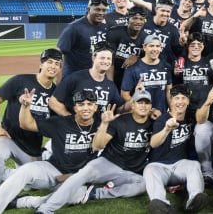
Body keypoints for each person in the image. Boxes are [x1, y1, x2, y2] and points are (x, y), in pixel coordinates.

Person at [33, 90, 174, 213]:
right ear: (132, 105)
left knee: (143, 185)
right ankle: (46, 209)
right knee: (83, 174)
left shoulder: (155, 123)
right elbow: (97, 145)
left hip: (131, 171)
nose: (143, 106)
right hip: (108, 163)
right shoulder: (119, 121)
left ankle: (95, 193)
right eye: (139, 102)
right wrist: (105, 123)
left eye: (146, 103)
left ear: (151, 106)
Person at [0, 90, 100, 214]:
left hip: (76, 178)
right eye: (81, 104)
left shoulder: (102, 126)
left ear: (95, 107)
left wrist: (74, 177)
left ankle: (24, 202)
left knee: (77, 196)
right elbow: (27, 124)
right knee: (25, 171)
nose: (86, 108)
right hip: (52, 170)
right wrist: (26, 107)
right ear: (75, 107)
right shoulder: (61, 123)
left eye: (89, 104)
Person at [0, 49, 63, 199]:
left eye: (57, 64)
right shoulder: (21, 80)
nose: (53, 66)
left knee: (34, 185)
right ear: (41, 64)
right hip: (8, 137)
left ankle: (16, 174)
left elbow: (54, 124)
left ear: (60, 69)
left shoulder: (56, 94)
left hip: (31, 148)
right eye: (49, 62)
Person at [144, 85, 209, 214]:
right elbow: (153, 143)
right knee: (149, 169)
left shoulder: (190, 117)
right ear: (171, 101)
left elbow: (202, 119)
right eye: (176, 98)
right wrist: (166, 129)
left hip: (181, 166)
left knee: (194, 165)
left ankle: (194, 200)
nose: (180, 101)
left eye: (183, 98)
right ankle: (161, 205)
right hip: (160, 167)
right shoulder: (162, 120)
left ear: (188, 101)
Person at [49, 44, 126, 120]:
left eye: (108, 59)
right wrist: (71, 120)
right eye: (102, 58)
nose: (106, 61)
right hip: (75, 130)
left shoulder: (110, 85)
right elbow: (53, 102)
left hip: (98, 129)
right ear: (93, 58)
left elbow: (121, 109)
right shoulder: (75, 78)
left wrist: (136, 95)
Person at [121, 34, 172, 118]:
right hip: (140, 115)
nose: (155, 49)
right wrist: (142, 108)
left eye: (157, 46)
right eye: (151, 46)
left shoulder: (166, 66)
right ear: (144, 47)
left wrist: (172, 111)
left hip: (161, 115)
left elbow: (169, 90)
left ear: (161, 48)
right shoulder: (133, 68)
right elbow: (124, 94)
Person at [57, 0, 108, 78]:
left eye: (104, 10)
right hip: (75, 77)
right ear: (88, 9)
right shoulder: (74, 27)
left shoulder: (105, 27)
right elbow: (58, 52)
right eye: (97, 9)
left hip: (95, 76)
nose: (101, 13)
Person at [106, 6, 147, 90]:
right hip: (115, 74)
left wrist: (137, 57)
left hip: (134, 79)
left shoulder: (146, 38)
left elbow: (148, 59)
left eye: (141, 19)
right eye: (135, 18)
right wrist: (110, 83)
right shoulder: (115, 33)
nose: (138, 22)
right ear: (128, 19)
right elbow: (110, 59)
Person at [141, 0, 185, 66]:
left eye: (168, 11)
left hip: (163, 68)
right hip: (143, 67)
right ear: (156, 9)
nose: (165, 14)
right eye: (162, 10)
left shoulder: (173, 30)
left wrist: (181, 44)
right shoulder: (144, 24)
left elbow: (178, 52)